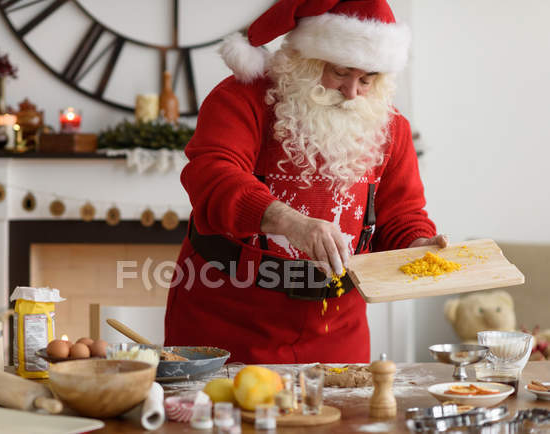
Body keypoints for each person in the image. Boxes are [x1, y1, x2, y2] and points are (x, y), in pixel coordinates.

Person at [164, 0, 447, 364]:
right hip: (227, 319)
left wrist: (418, 242)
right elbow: (213, 175)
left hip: (336, 330)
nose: (352, 92)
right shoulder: (241, 98)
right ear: (306, 57)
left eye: (367, 78)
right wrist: (288, 221)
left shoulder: (392, 129)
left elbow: (400, 215)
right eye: (341, 71)